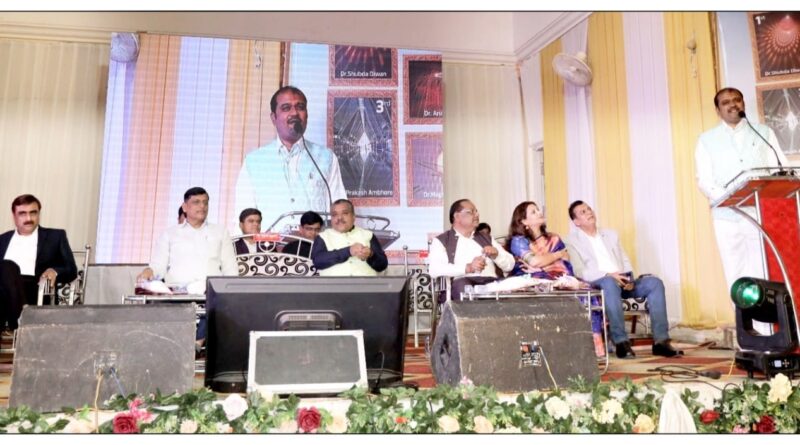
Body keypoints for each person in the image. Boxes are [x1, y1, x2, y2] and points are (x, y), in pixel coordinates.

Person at [695, 87, 789, 297]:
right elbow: (704, 179)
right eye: (726, 102)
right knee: (735, 272)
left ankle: (765, 318)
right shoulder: (706, 139)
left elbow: (779, 167)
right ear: (718, 110)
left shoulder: (763, 132)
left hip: (758, 213)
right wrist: (731, 198)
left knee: (762, 269)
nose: (732, 105)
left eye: (736, 100)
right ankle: (742, 318)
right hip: (726, 216)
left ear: (743, 104)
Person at [566, 200, 682, 359]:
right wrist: (608, 275)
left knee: (654, 283)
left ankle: (661, 342)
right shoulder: (571, 241)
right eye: (583, 212)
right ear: (576, 222)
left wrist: (629, 279)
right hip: (600, 284)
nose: (589, 212)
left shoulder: (611, 235)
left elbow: (624, 260)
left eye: (589, 209)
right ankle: (621, 342)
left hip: (622, 281)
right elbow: (580, 271)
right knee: (609, 283)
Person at [234, 85, 347, 229]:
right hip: (269, 243)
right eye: (286, 108)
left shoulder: (326, 158)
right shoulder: (254, 161)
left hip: (315, 242)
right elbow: (243, 217)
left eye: (300, 107)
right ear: (273, 118)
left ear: (307, 115)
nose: (294, 113)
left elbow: (341, 212)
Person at [137, 187, 238, 344]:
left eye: (205, 202)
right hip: (178, 295)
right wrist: (148, 271)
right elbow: (158, 266)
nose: (202, 206)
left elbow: (230, 268)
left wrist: (231, 293)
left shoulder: (220, 232)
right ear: (185, 207)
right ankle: (189, 345)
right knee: (160, 309)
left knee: (221, 308)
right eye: (196, 202)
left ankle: (196, 344)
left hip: (209, 295)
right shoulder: (170, 234)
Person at [505, 201, 605, 357]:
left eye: (538, 209)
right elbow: (535, 262)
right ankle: (533, 357)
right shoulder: (518, 241)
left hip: (559, 280)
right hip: (531, 284)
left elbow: (565, 262)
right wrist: (555, 256)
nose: (539, 212)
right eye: (533, 212)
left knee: (587, 293)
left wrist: (543, 263)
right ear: (523, 221)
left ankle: (591, 352)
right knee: (536, 305)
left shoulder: (554, 238)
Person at [1, 194, 77, 330]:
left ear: (39, 214)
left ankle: (21, 317)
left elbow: (71, 269)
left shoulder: (56, 236)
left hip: (36, 288)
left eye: (33, 213)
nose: (29, 219)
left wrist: (55, 271)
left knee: (7, 266)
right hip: (4, 290)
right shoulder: (2, 239)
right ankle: (22, 316)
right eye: (22, 214)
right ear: (14, 216)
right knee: (7, 267)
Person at [428, 199, 514, 301]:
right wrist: (468, 268)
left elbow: (510, 265)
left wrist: (497, 255)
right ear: (456, 216)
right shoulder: (442, 240)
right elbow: (434, 269)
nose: (477, 215)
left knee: (512, 284)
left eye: (476, 211)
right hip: (463, 284)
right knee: (463, 287)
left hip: (492, 284)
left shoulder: (486, 238)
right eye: (471, 212)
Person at [311, 199, 387, 276]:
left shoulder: (368, 235)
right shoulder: (323, 236)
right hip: (335, 283)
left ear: (353, 217)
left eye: (345, 213)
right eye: (334, 214)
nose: (339, 218)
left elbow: (382, 266)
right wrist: (348, 251)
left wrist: (371, 254)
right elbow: (318, 262)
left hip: (366, 283)